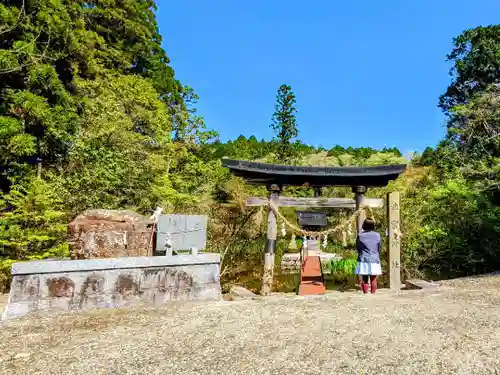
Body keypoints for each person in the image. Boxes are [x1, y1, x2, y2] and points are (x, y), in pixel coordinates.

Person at [355, 217, 382, 294]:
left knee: (365, 279)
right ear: (373, 225)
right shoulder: (377, 235)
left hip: (363, 258)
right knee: (373, 279)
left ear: (364, 225)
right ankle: (373, 294)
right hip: (374, 258)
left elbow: (358, 248)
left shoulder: (360, 235)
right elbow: (379, 247)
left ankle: (365, 294)